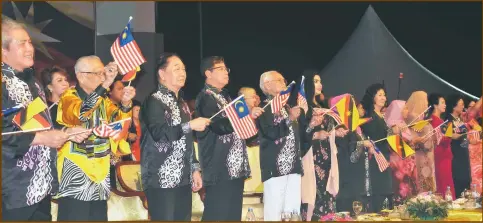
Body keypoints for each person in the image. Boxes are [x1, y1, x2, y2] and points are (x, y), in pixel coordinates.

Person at [1, 17, 90, 221]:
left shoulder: (33, 82)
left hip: (41, 185)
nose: (29, 47)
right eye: (21, 43)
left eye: (29, 42)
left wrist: (66, 134)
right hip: (14, 189)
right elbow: (4, 132)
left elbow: (37, 125)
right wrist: (43, 138)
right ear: (4, 50)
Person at [55, 56, 135, 221]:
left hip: (101, 170)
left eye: (103, 73)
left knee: (97, 216)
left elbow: (120, 124)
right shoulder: (69, 96)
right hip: (77, 169)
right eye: (99, 73)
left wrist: (126, 104)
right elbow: (81, 114)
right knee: (76, 216)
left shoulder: (104, 100)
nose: (103, 77)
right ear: (81, 75)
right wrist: (105, 85)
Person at [140, 53, 208, 220]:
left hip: (183, 178)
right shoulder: (154, 101)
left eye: (184, 69)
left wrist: (194, 169)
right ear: (162, 74)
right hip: (161, 177)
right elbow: (159, 133)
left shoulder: (182, 104)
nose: (182, 73)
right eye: (176, 68)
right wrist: (189, 125)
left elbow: (187, 141)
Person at [195, 56, 264, 221]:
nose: (226, 72)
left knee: (232, 214)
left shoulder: (226, 97)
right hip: (219, 166)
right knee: (217, 213)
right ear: (208, 73)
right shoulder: (205, 97)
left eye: (226, 69)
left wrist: (249, 118)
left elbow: (243, 129)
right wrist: (245, 115)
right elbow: (218, 126)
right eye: (220, 69)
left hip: (235, 166)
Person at [296, 70, 348, 220]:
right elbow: (299, 133)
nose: (320, 84)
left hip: (326, 157)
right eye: (316, 81)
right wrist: (314, 133)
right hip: (312, 156)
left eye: (320, 81)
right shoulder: (302, 106)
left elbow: (327, 130)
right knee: (313, 192)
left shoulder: (321, 105)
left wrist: (335, 133)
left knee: (326, 191)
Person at [257, 70, 305, 221]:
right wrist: (289, 119)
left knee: (293, 211)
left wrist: (310, 126)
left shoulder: (286, 107)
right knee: (275, 212)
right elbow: (270, 133)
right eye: (279, 80)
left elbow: (297, 136)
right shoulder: (264, 107)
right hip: (275, 167)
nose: (284, 83)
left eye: (283, 80)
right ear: (267, 85)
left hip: (293, 166)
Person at [360, 83, 393, 212]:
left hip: (385, 157)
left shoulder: (381, 116)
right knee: (379, 194)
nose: (383, 98)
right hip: (375, 160)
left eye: (384, 95)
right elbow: (374, 136)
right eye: (380, 95)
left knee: (387, 192)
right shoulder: (369, 117)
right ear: (372, 97)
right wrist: (391, 131)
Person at [404, 91, 436, 195]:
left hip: (424, 154)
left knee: (425, 185)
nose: (427, 103)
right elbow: (420, 140)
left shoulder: (417, 117)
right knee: (422, 186)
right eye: (425, 100)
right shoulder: (413, 117)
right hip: (420, 155)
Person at [428, 93, 455, 199]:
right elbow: (440, 139)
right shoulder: (435, 120)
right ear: (435, 105)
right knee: (443, 181)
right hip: (441, 155)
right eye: (442, 102)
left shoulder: (440, 120)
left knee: (445, 180)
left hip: (444, 155)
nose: (445, 105)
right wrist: (450, 134)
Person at [446, 94, 471, 197]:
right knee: (458, 180)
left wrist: (468, 139)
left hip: (464, 154)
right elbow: (448, 135)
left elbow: (464, 139)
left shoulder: (460, 120)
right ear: (454, 106)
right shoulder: (448, 120)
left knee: (466, 179)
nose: (463, 107)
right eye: (461, 104)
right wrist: (463, 135)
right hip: (455, 155)